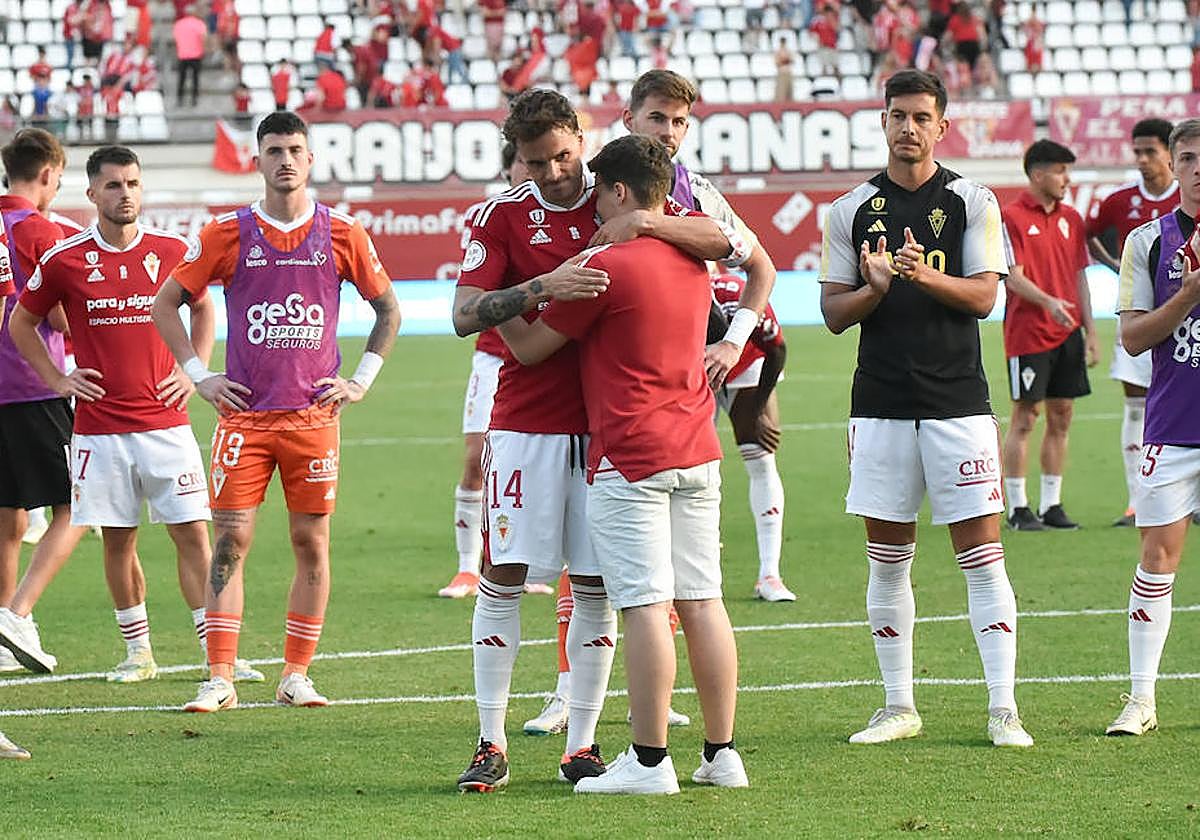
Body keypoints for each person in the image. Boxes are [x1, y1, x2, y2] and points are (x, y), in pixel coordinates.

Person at [451, 89, 746, 792]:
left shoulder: (617, 196)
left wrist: (647, 219)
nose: (554, 172)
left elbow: (722, 241)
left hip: (607, 434)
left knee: (596, 587)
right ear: (515, 159)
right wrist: (539, 286)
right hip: (527, 426)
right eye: (536, 161)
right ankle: (490, 739)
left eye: (562, 155)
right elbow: (465, 312)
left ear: (580, 141)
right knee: (505, 575)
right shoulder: (498, 216)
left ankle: (581, 745)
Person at [152, 110, 401, 713]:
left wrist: (360, 381)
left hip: (314, 420)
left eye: (295, 149)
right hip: (245, 419)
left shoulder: (343, 233)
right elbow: (166, 305)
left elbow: (387, 310)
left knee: (310, 542)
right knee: (231, 540)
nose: (285, 160)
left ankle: (296, 674)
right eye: (273, 150)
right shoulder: (225, 234)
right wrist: (201, 376)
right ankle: (219, 678)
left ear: (310, 159)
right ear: (257, 160)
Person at [819, 70, 1032, 748]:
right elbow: (831, 313)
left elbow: (984, 299)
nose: (907, 128)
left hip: (956, 405)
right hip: (879, 405)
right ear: (881, 123)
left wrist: (920, 273)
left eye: (921, 117)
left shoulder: (971, 200)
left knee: (983, 556)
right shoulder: (850, 209)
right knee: (887, 558)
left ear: (942, 126)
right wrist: (875, 288)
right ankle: (897, 705)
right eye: (896, 116)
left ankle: (1004, 709)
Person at [6, 146, 220, 684]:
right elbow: (22, 324)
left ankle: (217, 654)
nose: (125, 194)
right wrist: (58, 380)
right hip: (99, 431)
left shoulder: (174, 250)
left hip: (167, 425)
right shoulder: (65, 259)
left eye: (133, 184)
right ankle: (139, 653)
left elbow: (203, 306)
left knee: (194, 536)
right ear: (92, 194)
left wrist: (194, 369)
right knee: (119, 540)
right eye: (114, 186)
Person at [621, 70, 783, 590]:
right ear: (629, 120)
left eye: (679, 122)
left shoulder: (699, 193)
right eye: (657, 119)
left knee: (702, 482)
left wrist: (733, 342)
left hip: (691, 365)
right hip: (622, 368)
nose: (668, 131)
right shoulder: (595, 186)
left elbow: (763, 266)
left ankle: (761, 575)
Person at [1105, 118, 1200, 737]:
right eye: (1188, 157)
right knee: (1156, 558)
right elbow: (1133, 337)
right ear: (1174, 164)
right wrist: (1187, 296)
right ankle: (1142, 699)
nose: (1198, 168)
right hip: (1172, 424)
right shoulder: (1148, 241)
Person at [441, 141, 552, 600]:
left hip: (548, 355)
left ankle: (527, 564)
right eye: (525, 163)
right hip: (494, 353)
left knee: (539, 465)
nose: (533, 172)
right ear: (508, 170)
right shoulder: (489, 217)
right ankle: (468, 567)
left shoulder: (564, 213)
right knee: (475, 459)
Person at [0, 130, 87, 676]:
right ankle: (17, 616)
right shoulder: (40, 231)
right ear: (50, 174)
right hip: (34, 385)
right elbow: (55, 314)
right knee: (81, 501)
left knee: (7, 519)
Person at [1086, 119, 1179, 527]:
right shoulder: (1120, 201)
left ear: (1169, 154)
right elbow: (1090, 235)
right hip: (1141, 321)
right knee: (1136, 407)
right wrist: (1114, 267)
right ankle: (1136, 501)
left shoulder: (1188, 196)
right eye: (1137, 151)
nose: (1141, 160)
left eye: (1150, 151)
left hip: (1187, 324)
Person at [1000, 140, 1096, 531]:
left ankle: (1052, 504)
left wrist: (1090, 331)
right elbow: (1012, 276)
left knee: (1062, 416)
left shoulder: (1071, 218)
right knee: (1025, 417)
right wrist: (1049, 302)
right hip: (1027, 333)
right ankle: (1018, 507)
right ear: (1038, 174)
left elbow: (1079, 276)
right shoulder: (1011, 216)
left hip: (1068, 331)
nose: (1066, 179)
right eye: (1060, 171)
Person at [173, 5, 206, 107]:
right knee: (195, 78)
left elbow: (176, 38)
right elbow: (203, 38)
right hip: (196, 55)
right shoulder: (199, 24)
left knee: (181, 78)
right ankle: (194, 99)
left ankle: (180, 99)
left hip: (183, 55)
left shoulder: (179, 24)